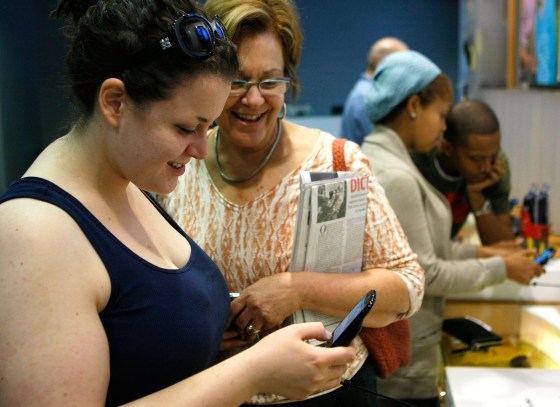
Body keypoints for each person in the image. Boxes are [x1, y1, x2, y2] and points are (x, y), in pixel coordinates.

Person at [0, 1, 359, 406]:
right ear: (115, 102)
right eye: (185, 127)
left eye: (208, 126)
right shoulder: (32, 236)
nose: (202, 150)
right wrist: (253, 371)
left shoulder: (129, 182)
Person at [158, 1, 425, 406]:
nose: (253, 100)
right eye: (236, 81)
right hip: (218, 392)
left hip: (328, 395)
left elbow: (407, 286)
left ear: (289, 81)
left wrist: (296, 289)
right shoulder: (180, 165)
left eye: (269, 81)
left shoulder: (334, 165)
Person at [360, 50, 545, 407]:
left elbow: (422, 249)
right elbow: (423, 273)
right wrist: (500, 266)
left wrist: (481, 252)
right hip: (405, 363)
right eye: (441, 115)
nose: (443, 126)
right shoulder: (399, 174)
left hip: (412, 351)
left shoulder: (387, 160)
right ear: (414, 105)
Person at [410, 99, 515, 245]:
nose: (486, 167)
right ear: (447, 148)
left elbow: (505, 248)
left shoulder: (496, 166)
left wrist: (477, 199)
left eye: (493, 156)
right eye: (477, 159)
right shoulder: (416, 162)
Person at [340, 37, 408, 144]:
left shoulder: (363, 91)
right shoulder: (369, 96)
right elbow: (385, 144)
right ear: (388, 62)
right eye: (404, 64)